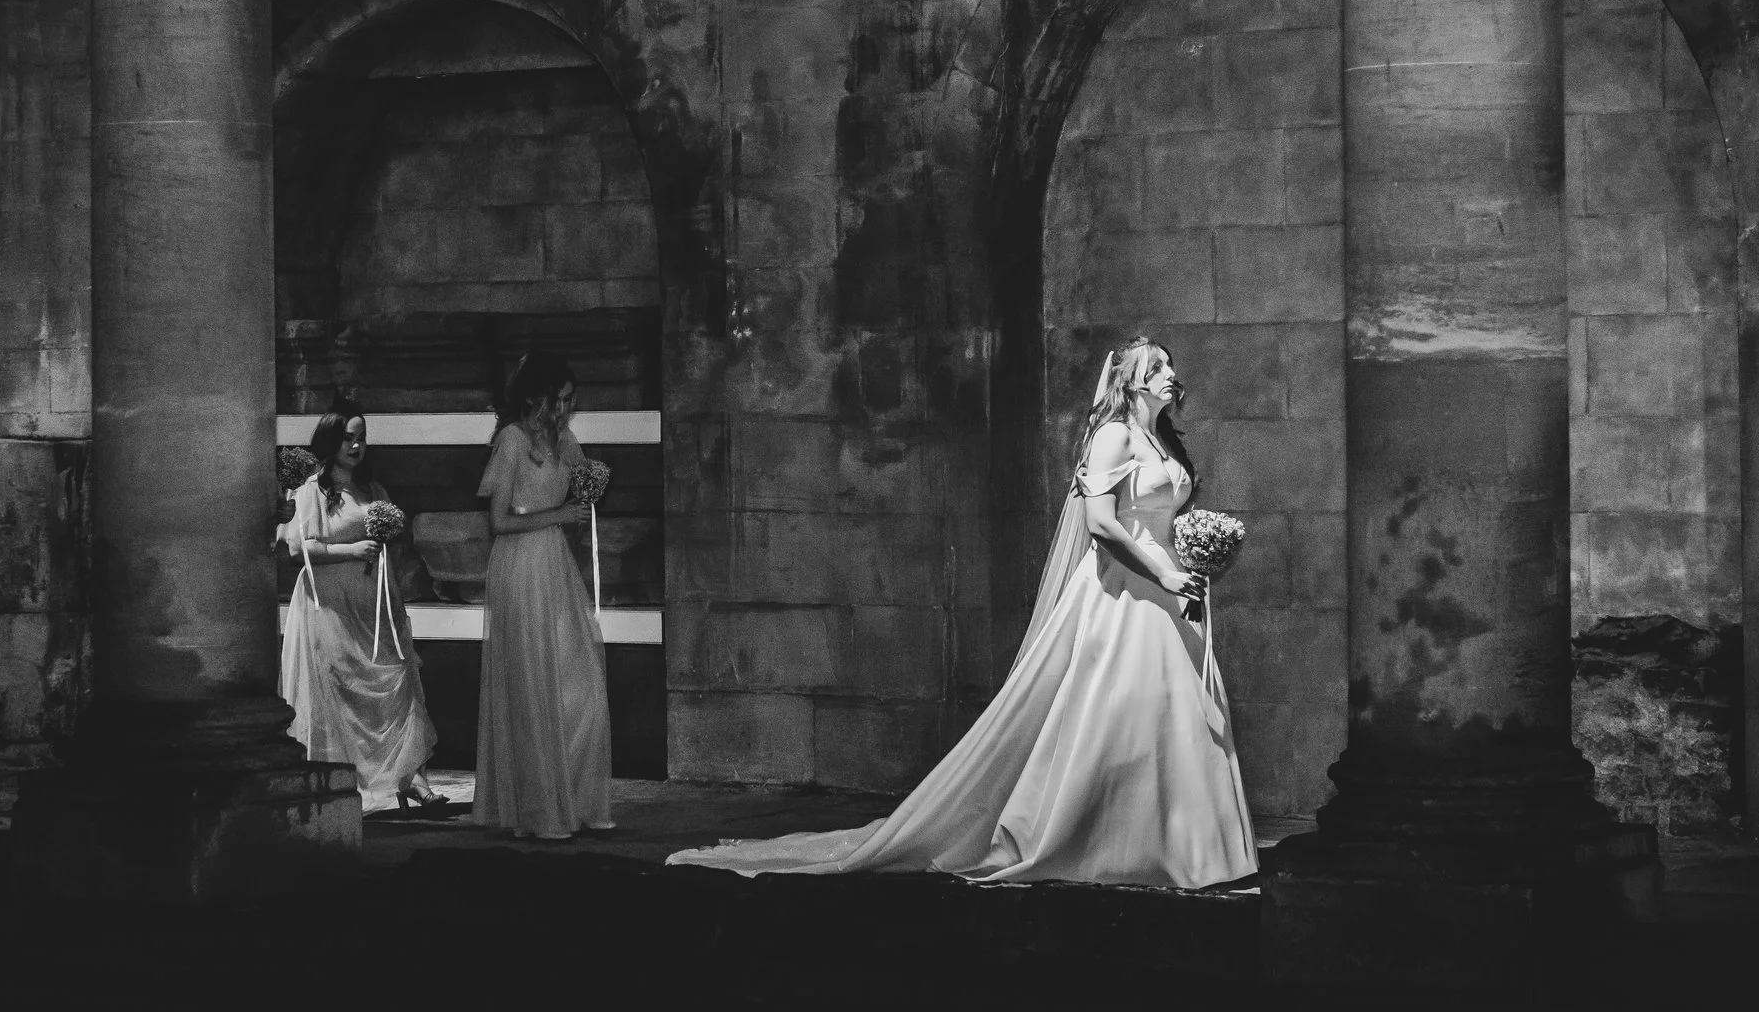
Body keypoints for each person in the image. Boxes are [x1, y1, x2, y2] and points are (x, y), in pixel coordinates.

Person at [666, 335, 1256, 888]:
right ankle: (1103, 842)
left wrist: (1200, 551)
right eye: (1158, 367)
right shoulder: (1115, 437)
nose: (1171, 373)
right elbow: (1101, 524)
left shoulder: (1163, 439)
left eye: (1169, 365)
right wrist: (1162, 572)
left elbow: (1164, 513)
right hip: (1126, 591)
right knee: (1126, 710)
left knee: (1183, 712)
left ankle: (1189, 847)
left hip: (1173, 587)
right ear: (1132, 381)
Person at [472, 350, 615, 840]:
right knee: (533, 683)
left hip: (554, 563)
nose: (568, 408)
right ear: (540, 397)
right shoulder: (512, 441)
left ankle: (576, 797)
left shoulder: (565, 440)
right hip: (520, 566)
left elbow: (582, 487)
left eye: (572, 400)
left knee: (581, 683)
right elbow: (498, 521)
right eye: (562, 399)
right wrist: (558, 515)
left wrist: (589, 493)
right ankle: (539, 808)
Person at [278, 401, 445, 810]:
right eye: (348, 439)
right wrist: (352, 550)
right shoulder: (313, 490)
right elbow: (298, 548)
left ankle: (412, 778)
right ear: (331, 442)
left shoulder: (373, 491)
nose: (356, 446)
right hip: (330, 607)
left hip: (374, 603)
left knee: (398, 681)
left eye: (361, 439)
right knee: (338, 691)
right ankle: (334, 782)